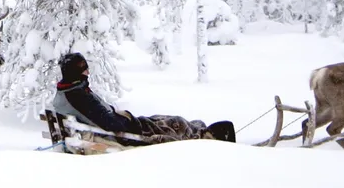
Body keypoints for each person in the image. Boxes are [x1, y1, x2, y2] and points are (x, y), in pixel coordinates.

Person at [51, 52, 235, 143]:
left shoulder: (70, 92)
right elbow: (110, 124)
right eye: (84, 69)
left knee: (168, 120)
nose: (88, 72)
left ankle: (199, 130)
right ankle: (204, 137)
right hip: (127, 133)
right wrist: (129, 119)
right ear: (75, 72)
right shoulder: (77, 96)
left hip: (124, 126)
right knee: (174, 123)